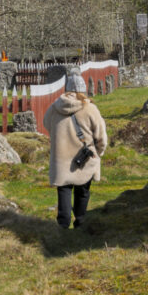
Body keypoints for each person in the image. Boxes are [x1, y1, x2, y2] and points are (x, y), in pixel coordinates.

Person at [43, 67, 107, 229]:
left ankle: (63, 224)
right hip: (84, 157)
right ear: (83, 89)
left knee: (63, 191)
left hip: (61, 157)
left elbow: (46, 124)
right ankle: (80, 221)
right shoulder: (90, 108)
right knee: (83, 190)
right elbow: (101, 136)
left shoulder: (55, 106)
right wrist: (98, 152)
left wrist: (59, 137)